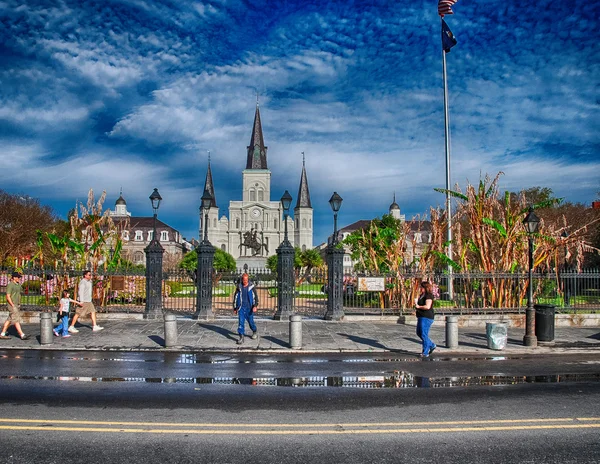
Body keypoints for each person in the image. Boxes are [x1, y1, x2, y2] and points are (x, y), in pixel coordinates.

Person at [0, 272, 30, 340]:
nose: (19, 278)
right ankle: (22, 335)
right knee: (16, 319)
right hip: (12, 305)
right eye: (18, 277)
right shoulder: (10, 285)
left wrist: (19, 303)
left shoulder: (18, 285)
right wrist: (12, 305)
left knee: (9, 319)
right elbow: (8, 296)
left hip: (17, 304)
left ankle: (2, 334)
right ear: (14, 277)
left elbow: (20, 293)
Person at [232, 273, 259, 344]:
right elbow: (235, 297)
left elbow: (255, 297)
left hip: (249, 308)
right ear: (242, 280)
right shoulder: (239, 287)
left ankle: (254, 331)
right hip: (241, 308)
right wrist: (235, 308)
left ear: (248, 280)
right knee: (241, 323)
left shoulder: (251, 287)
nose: (245, 282)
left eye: (246, 280)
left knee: (251, 322)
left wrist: (255, 306)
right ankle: (241, 337)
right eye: (244, 280)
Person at [415, 281, 436, 357]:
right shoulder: (422, 295)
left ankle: (425, 352)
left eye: (421, 287)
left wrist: (418, 307)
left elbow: (427, 306)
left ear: (425, 288)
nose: (420, 288)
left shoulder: (428, 295)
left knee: (424, 334)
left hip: (426, 316)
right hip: (421, 316)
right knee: (419, 333)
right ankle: (431, 344)